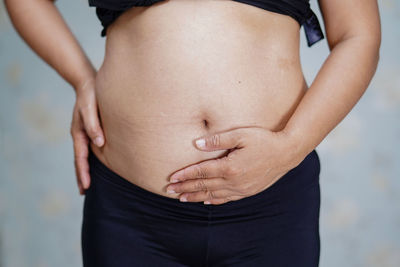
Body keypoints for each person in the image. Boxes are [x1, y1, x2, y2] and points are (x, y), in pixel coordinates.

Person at [4, 0, 381, 266]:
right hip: (130, 213)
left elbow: (357, 35)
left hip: (271, 206)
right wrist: (82, 79)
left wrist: (291, 145)